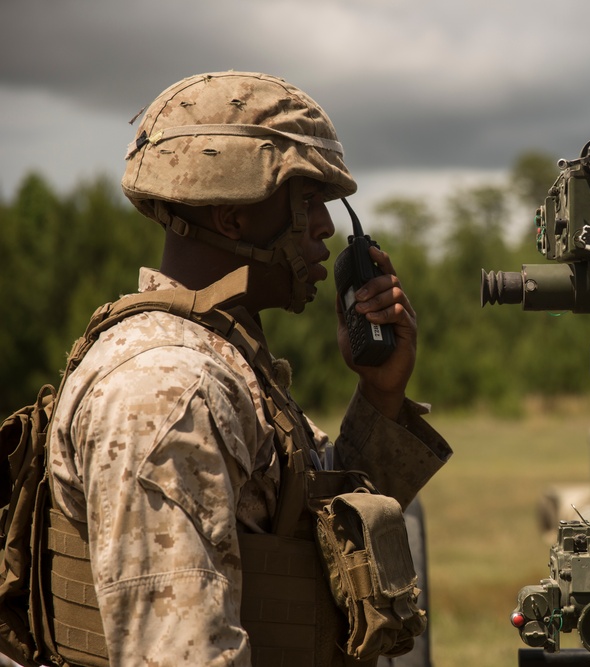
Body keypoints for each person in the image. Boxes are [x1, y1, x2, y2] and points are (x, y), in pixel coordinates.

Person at [44, 71, 452, 666]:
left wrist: (381, 394)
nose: (326, 230)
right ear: (233, 217)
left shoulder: (223, 359)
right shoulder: (167, 390)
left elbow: (315, 549)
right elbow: (179, 655)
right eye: (307, 200)